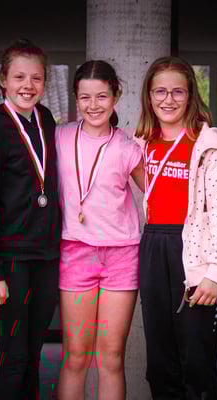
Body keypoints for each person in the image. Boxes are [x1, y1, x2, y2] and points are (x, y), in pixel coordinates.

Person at [134, 56, 217, 400]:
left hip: (194, 254)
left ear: (190, 95)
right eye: (160, 91)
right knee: (160, 365)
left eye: (177, 92)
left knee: (196, 366)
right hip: (153, 247)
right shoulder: (140, 144)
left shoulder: (211, 147)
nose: (168, 99)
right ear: (149, 96)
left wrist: (215, 273)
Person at [0, 38, 61, 400]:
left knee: (33, 358)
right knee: (14, 359)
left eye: (36, 78)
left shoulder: (46, 120)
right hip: (10, 262)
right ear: (3, 80)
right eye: (19, 77)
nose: (28, 85)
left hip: (46, 258)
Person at [55, 60, 145, 400]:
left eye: (102, 96)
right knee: (76, 356)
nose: (93, 105)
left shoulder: (128, 147)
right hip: (75, 252)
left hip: (122, 255)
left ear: (116, 96)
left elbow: (158, 193)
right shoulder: (59, 136)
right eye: (85, 97)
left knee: (111, 357)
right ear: (76, 99)